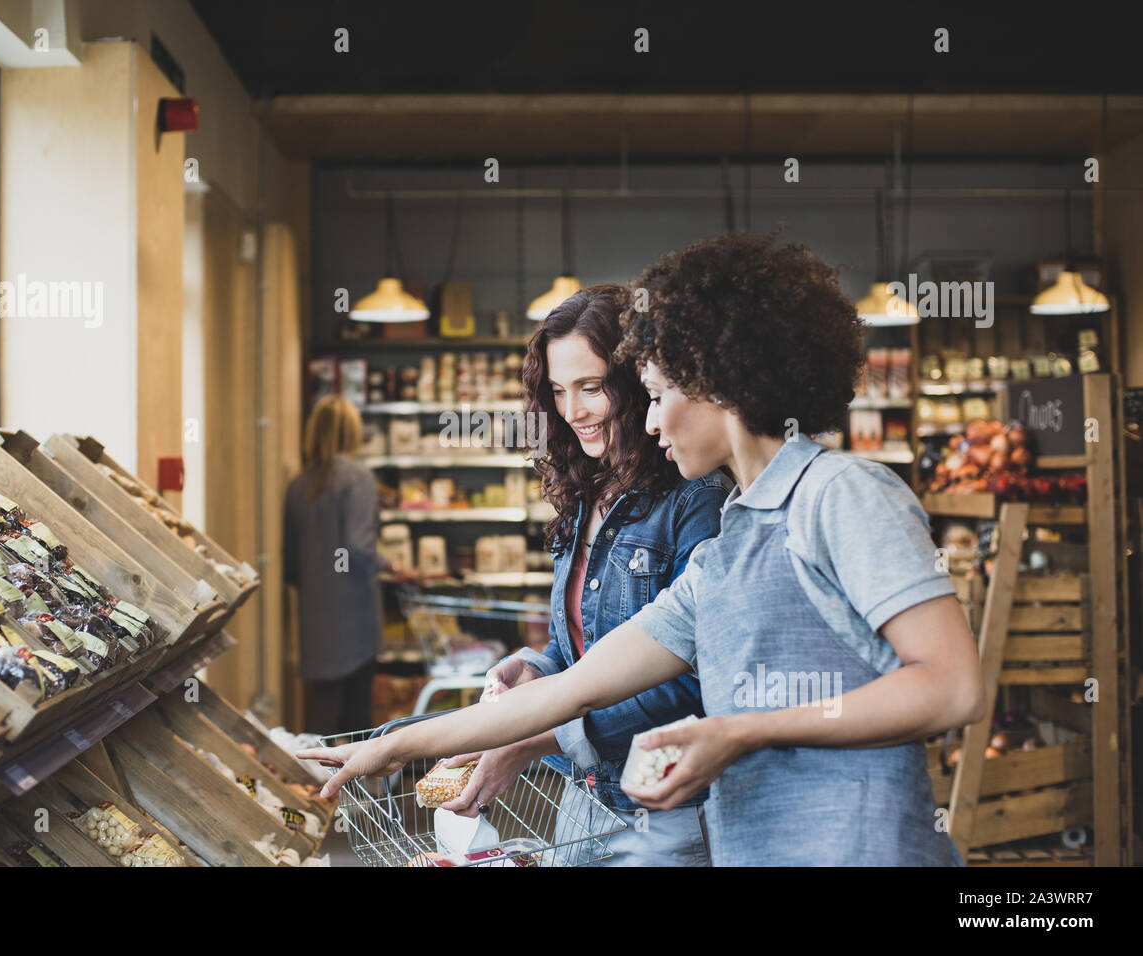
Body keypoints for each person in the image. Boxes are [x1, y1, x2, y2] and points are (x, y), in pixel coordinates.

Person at [299, 233, 985, 866]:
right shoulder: (728, 548)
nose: (649, 420)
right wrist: (390, 746)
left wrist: (743, 731)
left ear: (717, 379)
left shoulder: (844, 493)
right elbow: (568, 691)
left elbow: (951, 685)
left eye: (655, 395)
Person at [437, 284, 729, 866]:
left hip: (670, 810)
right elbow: (587, 654)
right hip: (587, 799)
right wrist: (537, 669)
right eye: (559, 391)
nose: (573, 413)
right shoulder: (584, 490)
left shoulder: (697, 499)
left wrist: (533, 736)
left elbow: (692, 683)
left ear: (634, 382)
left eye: (591, 388)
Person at [284, 394, 384, 735]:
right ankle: (356, 785)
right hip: (352, 612)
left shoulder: (299, 485)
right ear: (350, 433)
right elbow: (360, 545)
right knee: (357, 712)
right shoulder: (358, 478)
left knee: (322, 708)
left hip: (314, 614)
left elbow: (291, 565)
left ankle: (312, 783)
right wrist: (393, 568)